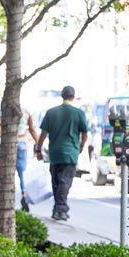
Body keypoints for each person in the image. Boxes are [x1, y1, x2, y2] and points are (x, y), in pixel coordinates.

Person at [35, 86, 89, 220]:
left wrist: (38, 149)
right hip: (70, 152)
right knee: (65, 181)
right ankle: (61, 209)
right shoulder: (79, 113)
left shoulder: (51, 113)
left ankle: (58, 208)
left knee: (56, 181)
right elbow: (85, 133)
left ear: (62, 95)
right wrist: (81, 146)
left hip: (54, 153)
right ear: (73, 96)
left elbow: (43, 134)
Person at [0, 106, 38, 211]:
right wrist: (39, 145)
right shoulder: (26, 111)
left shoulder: (0, 112)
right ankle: (24, 194)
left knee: (6, 173)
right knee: (22, 172)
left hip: (6, 145)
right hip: (21, 143)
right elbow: (32, 129)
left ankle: (6, 197)